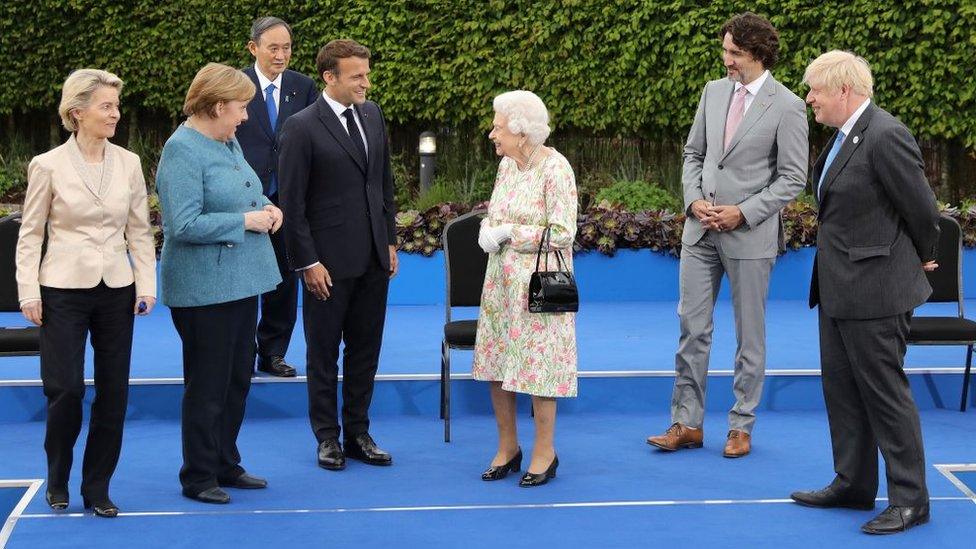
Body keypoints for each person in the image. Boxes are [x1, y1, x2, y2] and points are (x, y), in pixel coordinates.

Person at [790, 51, 939, 535]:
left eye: (814, 89)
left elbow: (923, 212)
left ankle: (911, 500)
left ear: (843, 91)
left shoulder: (886, 134)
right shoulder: (841, 138)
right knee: (843, 391)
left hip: (876, 292)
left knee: (884, 395)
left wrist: (918, 256)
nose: (808, 97)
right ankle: (854, 483)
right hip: (837, 289)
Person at [646, 12, 807, 458]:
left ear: (757, 54)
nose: (726, 60)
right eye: (725, 51)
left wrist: (743, 212)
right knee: (691, 329)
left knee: (748, 336)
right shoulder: (713, 92)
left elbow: (792, 179)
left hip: (750, 236)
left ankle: (741, 426)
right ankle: (687, 423)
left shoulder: (788, 106)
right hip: (700, 234)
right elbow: (693, 153)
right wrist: (693, 200)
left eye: (733, 53)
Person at [15, 69, 156, 517]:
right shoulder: (48, 164)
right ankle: (57, 477)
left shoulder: (129, 162)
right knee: (66, 389)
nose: (115, 114)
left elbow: (139, 229)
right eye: (106, 106)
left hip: (117, 288)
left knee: (114, 393)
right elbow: (30, 235)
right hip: (61, 289)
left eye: (116, 105)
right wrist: (28, 292)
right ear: (77, 113)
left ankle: (97, 487)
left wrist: (147, 284)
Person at [156, 63, 283, 504]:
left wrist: (268, 207)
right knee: (208, 385)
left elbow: (246, 190)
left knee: (235, 381)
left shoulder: (225, 141)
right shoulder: (182, 150)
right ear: (215, 106)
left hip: (242, 281)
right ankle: (198, 475)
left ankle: (226, 463)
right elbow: (182, 223)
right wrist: (246, 221)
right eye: (241, 107)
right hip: (202, 288)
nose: (246, 116)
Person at [279, 39, 398, 471]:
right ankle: (327, 437)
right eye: (357, 76)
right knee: (324, 352)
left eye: (366, 74)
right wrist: (307, 262)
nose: (366, 83)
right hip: (325, 264)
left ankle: (359, 433)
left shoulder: (373, 113)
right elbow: (292, 204)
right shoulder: (301, 126)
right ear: (330, 77)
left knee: (366, 349)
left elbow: (382, 184)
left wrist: (388, 241)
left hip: (372, 258)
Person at [473, 90, 578, 487]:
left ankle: (544, 451)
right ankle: (508, 447)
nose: (492, 134)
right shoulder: (506, 166)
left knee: (538, 367)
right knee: (498, 364)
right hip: (500, 282)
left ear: (520, 131)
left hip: (539, 286)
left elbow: (564, 231)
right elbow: (497, 210)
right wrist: (487, 228)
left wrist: (509, 232)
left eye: (498, 127)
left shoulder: (556, 168)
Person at [237, 16, 319, 378]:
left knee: (284, 281)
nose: (281, 54)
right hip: (241, 200)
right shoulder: (235, 85)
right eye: (273, 47)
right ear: (254, 48)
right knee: (241, 283)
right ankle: (239, 353)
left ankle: (272, 353)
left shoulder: (303, 87)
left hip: (288, 201)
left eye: (286, 47)